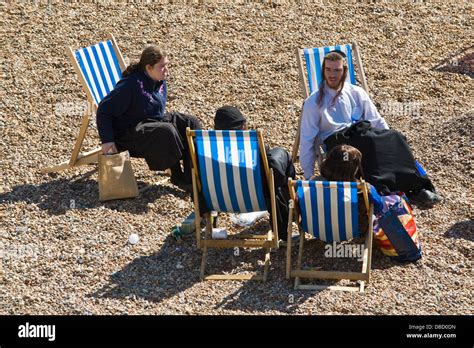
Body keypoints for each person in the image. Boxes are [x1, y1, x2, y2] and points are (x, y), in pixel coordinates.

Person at [300, 50, 441, 205]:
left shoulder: (356, 92)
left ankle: (416, 187)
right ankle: (384, 189)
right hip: (336, 142)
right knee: (368, 141)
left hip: (359, 133)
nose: (332, 74)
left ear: (345, 71)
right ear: (323, 70)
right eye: (328, 70)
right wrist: (308, 177)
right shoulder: (313, 102)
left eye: (337, 70)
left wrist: (388, 139)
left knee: (395, 137)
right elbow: (307, 138)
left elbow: (376, 119)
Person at [96, 45, 202, 192]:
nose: (167, 70)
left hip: (150, 121)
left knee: (190, 122)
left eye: (167, 65)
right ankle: (177, 176)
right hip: (127, 134)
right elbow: (104, 110)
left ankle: (193, 175)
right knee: (167, 131)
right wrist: (107, 140)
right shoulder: (130, 86)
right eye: (162, 66)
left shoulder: (158, 79)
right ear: (149, 68)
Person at [214, 106, 296, 242]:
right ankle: (288, 215)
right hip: (258, 199)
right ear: (242, 127)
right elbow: (275, 175)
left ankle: (211, 229)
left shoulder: (206, 150)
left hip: (220, 200)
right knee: (281, 156)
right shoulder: (252, 146)